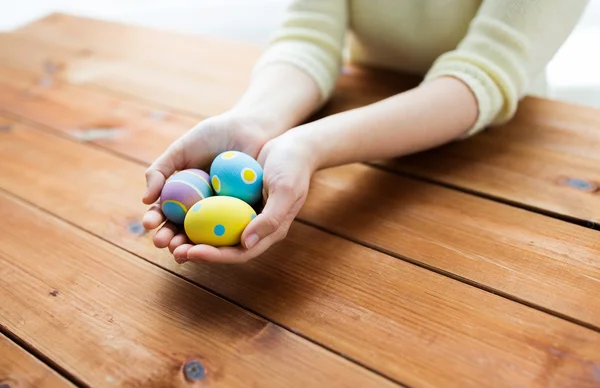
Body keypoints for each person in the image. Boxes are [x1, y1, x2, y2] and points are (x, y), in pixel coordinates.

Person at [142, 0, 590, 264]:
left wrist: (308, 143)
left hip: (504, 160)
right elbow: (309, 36)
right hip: (363, 114)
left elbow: (484, 74)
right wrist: (254, 122)